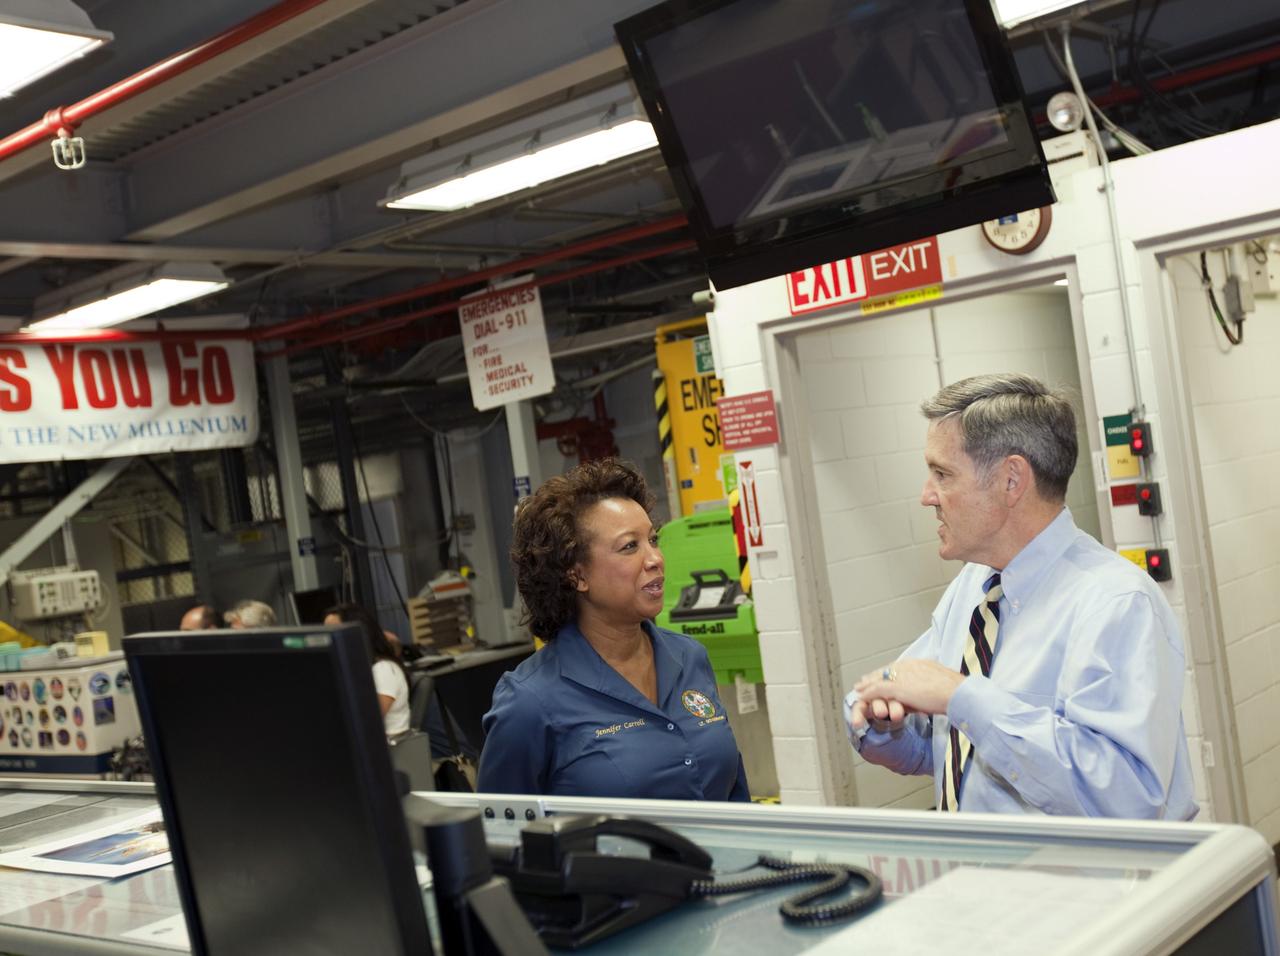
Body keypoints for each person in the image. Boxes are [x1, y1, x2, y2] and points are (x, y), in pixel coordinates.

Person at [845, 373, 1196, 819]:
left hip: (1095, 888)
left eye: (942, 474)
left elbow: (1125, 796)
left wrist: (964, 698)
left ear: (1012, 479)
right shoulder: (973, 588)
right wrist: (884, 723)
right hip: (985, 881)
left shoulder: (1116, 604)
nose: (926, 496)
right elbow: (944, 752)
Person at [478, 458, 750, 801]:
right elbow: (499, 837)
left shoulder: (689, 656)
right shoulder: (530, 702)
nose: (655, 559)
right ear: (576, 575)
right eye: (630, 546)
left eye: (653, 539)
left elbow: (736, 797)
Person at [323, 604, 410, 738]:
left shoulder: (384, 669)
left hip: (388, 750)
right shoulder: (354, 670)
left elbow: (367, 720)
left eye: (334, 633)